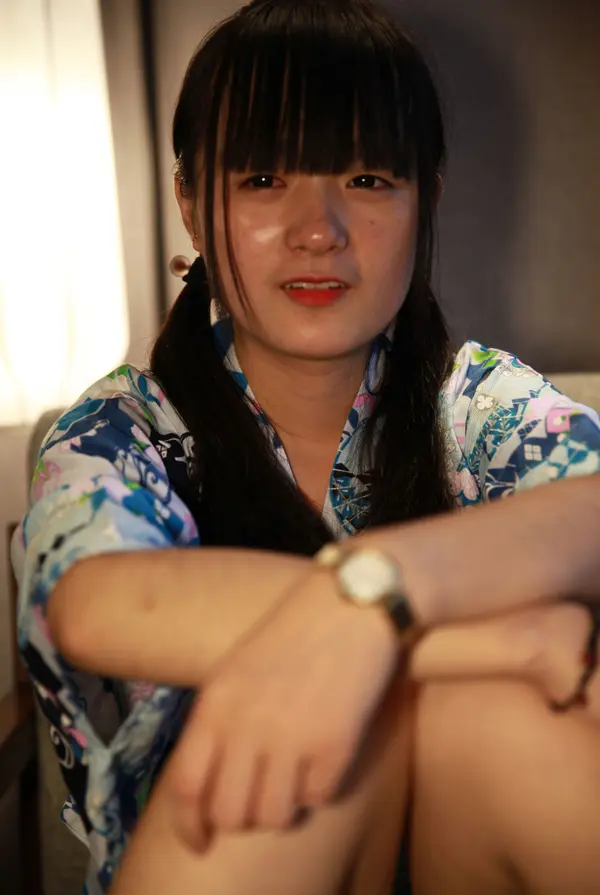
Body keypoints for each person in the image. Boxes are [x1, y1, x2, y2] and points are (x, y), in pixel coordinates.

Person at [11, 1, 600, 893]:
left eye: (365, 177)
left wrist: (371, 593)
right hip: (234, 850)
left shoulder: (476, 402)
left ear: (426, 198)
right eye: (261, 178)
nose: (317, 228)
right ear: (191, 205)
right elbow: (97, 601)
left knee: (492, 721)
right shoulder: (128, 426)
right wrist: (475, 638)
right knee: (304, 752)